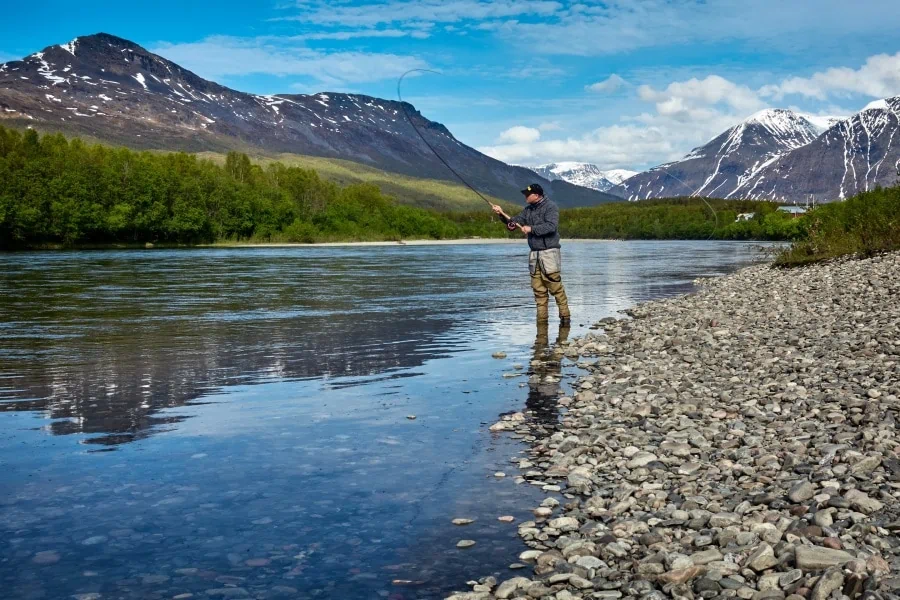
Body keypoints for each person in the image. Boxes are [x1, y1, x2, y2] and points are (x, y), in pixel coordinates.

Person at [492, 183, 571, 324]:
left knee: (556, 289)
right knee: (539, 292)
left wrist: (531, 229)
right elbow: (513, 223)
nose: (525, 197)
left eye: (528, 195)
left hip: (549, 253)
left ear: (537, 195)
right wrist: (501, 215)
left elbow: (551, 227)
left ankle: (565, 320)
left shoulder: (551, 207)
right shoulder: (528, 210)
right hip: (534, 255)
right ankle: (542, 324)